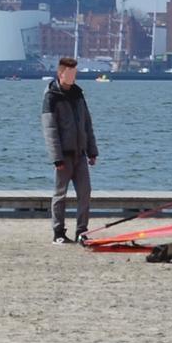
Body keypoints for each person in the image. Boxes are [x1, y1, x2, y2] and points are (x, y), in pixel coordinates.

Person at [40, 56, 97, 245]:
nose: (73, 77)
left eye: (75, 73)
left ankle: (82, 231)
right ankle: (58, 232)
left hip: (81, 154)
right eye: (70, 73)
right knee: (60, 195)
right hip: (63, 156)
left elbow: (87, 124)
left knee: (85, 193)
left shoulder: (79, 94)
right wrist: (56, 158)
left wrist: (92, 151)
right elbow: (50, 130)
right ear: (60, 74)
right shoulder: (51, 97)